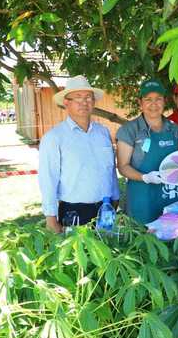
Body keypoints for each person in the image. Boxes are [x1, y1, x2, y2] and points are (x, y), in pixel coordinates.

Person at [38, 75, 119, 233]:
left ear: (94, 102)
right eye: (78, 98)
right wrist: (51, 219)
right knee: (80, 256)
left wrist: (115, 199)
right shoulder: (54, 137)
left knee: (109, 255)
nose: (84, 102)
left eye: (88, 97)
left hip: (106, 210)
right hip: (74, 212)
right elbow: (48, 180)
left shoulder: (103, 133)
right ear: (66, 103)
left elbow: (110, 170)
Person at [116, 79, 178, 225]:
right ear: (140, 103)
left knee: (175, 236)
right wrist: (145, 177)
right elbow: (123, 166)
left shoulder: (174, 129)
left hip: (172, 194)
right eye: (148, 99)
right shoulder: (129, 130)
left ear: (164, 101)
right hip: (143, 197)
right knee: (146, 241)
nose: (154, 104)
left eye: (158, 99)